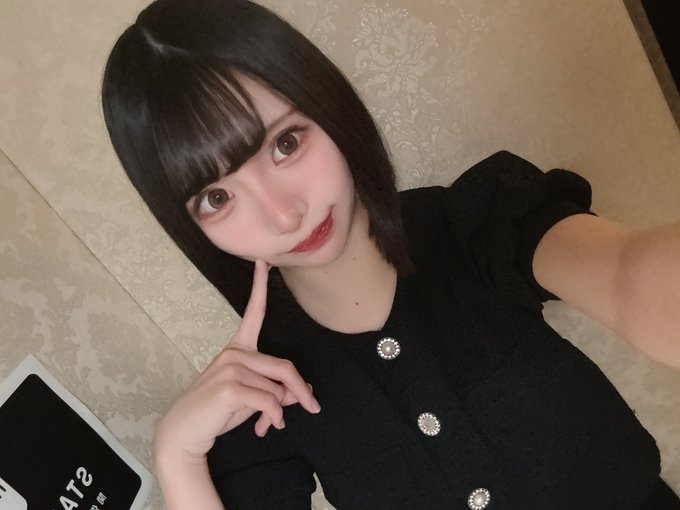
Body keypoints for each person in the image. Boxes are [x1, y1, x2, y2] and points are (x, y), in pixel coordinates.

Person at [101, 0, 680, 508]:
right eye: (217, 197)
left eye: (285, 143)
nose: (283, 216)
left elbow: (629, 279)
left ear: (327, 106)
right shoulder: (261, 390)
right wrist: (177, 456)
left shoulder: (476, 221)